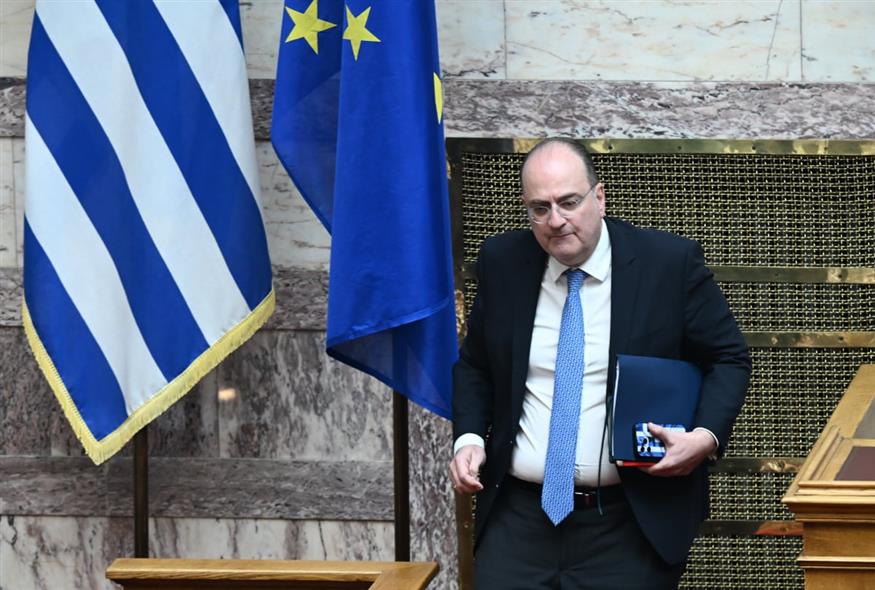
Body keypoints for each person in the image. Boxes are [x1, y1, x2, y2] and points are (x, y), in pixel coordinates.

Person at [449, 138, 751, 589]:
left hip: (628, 523)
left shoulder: (667, 264)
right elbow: (475, 365)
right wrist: (469, 438)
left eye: (569, 202)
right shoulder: (503, 261)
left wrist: (704, 438)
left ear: (600, 196)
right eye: (540, 208)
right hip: (518, 521)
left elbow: (728, 358)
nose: (556, 220)